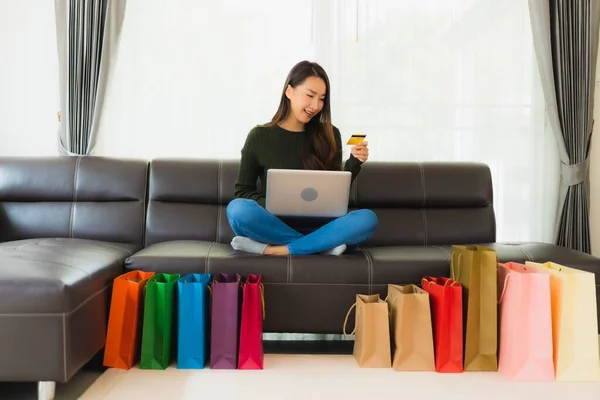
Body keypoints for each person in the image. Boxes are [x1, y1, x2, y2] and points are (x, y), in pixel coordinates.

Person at [226, 60, 377, 256]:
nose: (316, 105)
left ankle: (276, 250)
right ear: (289, 91)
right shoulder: (259, 136)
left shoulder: (330, 134)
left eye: (322, 98)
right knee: (237, 210)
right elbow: (242, 192)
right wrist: (274, 203)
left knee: (367, 218)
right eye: (310, 95)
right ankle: (321, 247)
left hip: (322, 226)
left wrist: (354, 163)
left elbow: (335, 191)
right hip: (273, 225)